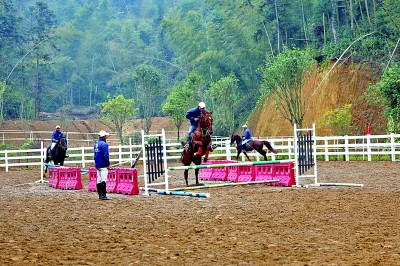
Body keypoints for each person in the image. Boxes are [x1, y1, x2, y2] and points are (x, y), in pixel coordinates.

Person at [94, 130, 111, 200]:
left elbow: (95, 155)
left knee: (99, 179)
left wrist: (96, 165)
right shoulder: (104, 144)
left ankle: (100, 195)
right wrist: (107, 164)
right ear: (104, 136)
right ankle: (104, 195)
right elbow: (105, 155)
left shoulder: (96, 144)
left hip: (98, 164)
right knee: (104, 179)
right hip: (103, 164)